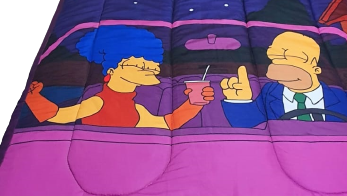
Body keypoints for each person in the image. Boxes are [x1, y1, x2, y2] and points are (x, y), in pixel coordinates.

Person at [25, 26, 214, 129]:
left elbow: (167, 123)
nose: (151, 70)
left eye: (153, 66)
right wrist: (33, 98)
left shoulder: (136, 108)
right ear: (112, 70)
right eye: (141, 66)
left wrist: (194, 103)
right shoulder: (97, 102)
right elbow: (57, 115)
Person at [221, 31, 347, 127]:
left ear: (315, 67)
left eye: (292, 58)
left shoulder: (341, 95)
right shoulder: (269, 92)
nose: (282, 66)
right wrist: (240, 101)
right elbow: (247, 123)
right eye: (276, 59)